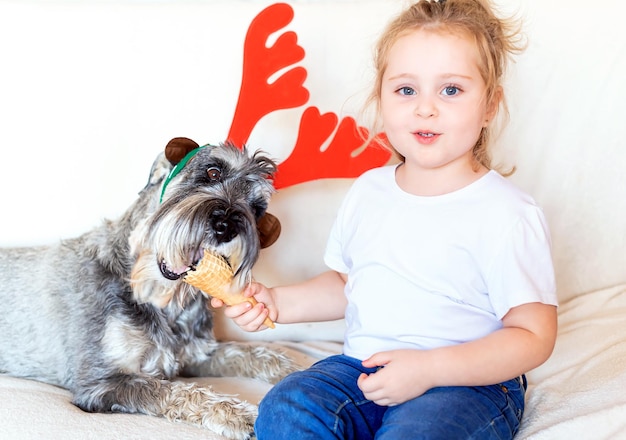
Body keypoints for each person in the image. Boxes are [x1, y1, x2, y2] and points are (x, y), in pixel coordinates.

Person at [212, 0, 558, 438]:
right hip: (362, 369)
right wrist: (277, 302)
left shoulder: (507, 213)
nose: (426, 108)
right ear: (381, 99)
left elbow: (533, 334)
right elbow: (347, 284)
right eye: (406, 90)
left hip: (464, 384)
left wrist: (430, 369)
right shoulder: (370, 191)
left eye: (450, 89)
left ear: (490, 105)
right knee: (288, 405)